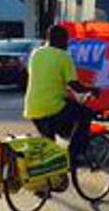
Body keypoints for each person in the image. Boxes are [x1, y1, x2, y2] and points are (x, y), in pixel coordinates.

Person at [23, 25, 99, 160]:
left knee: (50, 149)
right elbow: (75, 86)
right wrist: (92, 89)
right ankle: (74, 154)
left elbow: (46, 78)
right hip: (52, 107)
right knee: (86, 114)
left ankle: (52, 176)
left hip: (32, 108)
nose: (67, 44)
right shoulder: (64, 57)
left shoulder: (36, 54)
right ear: (60, 40)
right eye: (66, 40)